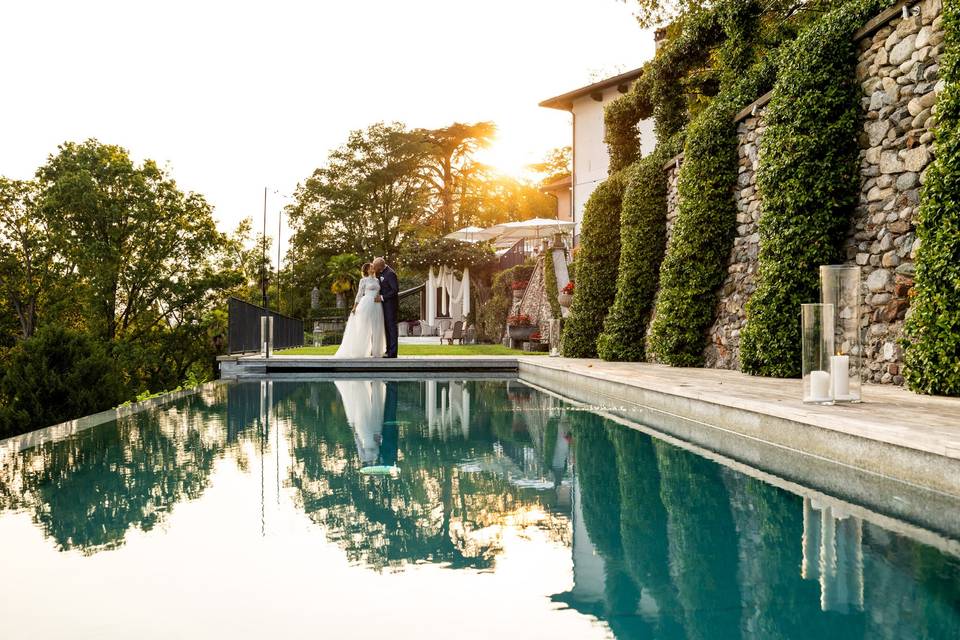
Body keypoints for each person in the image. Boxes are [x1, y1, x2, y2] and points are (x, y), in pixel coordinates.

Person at [333, 263, 385, 358]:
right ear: (367, 270)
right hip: (367, 303)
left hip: (377, 305)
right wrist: (354, 307)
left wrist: (379, 297)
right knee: (364, 327)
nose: (373, 268)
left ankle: (376, 351)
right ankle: (361, 350)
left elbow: (378, 292)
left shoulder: (377, 280)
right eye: (371, 267)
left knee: (377, 327)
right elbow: (359, 294)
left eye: (373, 267)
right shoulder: (363, 280)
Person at [372, 257, 400, 358]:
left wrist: (382, 297)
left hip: (391, 306)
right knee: (387, 328)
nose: (373, 267)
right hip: (384, 306)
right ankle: (389, 350)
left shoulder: (390, 273)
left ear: (380, 266)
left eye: (375, 266)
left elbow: (395, 290)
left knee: (391, 328)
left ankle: (393, 353)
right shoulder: (381, 273)